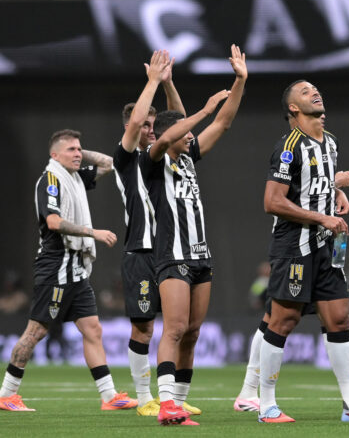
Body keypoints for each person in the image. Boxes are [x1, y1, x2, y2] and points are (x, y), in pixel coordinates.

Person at [234, 115, 349, 413]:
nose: (316, 95)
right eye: (308, 92)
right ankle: (262, 400)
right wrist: (324, 214)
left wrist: (336, 191)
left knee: (339, 318)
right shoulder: (288, 145)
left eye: (316, 91)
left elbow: (312, 184)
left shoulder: (330, 141)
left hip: (325, 246)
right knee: (281, 320)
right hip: (295, 245)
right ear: (294, 108)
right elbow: (273, 201)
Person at [0, 130, 135, 412]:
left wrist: (81, 152)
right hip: (56, 265)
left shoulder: (74, 177)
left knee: (93, 329)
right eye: (70, 149)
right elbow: (55, 222)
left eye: (79, 149)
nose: (78, 154)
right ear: (54, 155)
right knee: (36, 332)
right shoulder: (51, 181)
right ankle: (6, 394)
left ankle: (108, 396)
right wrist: (93, 232)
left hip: (76, 269)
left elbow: (109, 164)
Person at [143, 44, 247, 425]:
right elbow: (182, 129)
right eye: (184, 131)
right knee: (173, 328)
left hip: (200, 253)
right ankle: (165, 403)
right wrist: (203, 110)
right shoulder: (152, 160)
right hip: (171, 254)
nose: (192, 135)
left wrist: (240, 81)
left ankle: (180, 403)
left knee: (193, 332)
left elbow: (224, 123)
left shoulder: (188, 158)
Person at [112, 49, 193, 417]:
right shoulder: (127, 159)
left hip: (174, 250)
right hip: (142, 251)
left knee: (180, 327)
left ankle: (173, 395)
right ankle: (145, 397)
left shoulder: (167, 157)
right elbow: (134, 128)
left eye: (152, 125)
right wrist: (152, 83)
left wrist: (169, 84)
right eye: (144, 124)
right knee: (144, 327)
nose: (149, 129)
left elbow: (182, 123)